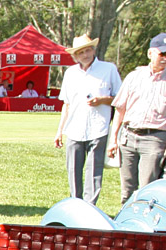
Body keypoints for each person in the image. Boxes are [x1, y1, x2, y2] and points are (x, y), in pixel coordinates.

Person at [54, 34, 121, 205]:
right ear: (75, 56)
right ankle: (76, 204)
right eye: (81, 52)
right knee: (73, 170)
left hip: (98, 127)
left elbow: (119, 99)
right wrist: (59, 131)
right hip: (74, 128)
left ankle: (90, 206)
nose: (86, 54)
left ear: (94, 50)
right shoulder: (70, 74)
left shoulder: (108, 69)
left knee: (94, 171)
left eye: (88, 50)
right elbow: (66, 104)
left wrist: (102, 100)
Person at [108, 33, 166, 204]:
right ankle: (125, 223)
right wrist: (113, 139)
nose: (164, 59)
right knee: (127, 187)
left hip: (155, 139)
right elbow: (120, 110)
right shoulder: (135, 76)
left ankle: (145, 226)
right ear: (150, 54)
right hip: (128, 136)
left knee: (147, 187)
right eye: (161, 54)